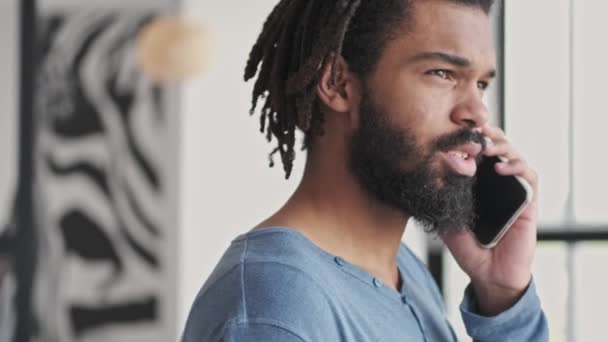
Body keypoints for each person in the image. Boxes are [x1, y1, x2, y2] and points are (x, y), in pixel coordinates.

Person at [182, 0, 549, 340]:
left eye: (481, 84)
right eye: (443, 73)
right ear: (338, 84)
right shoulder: (275, 309)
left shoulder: (406, 274)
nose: (477, 112)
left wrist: (505, 299)